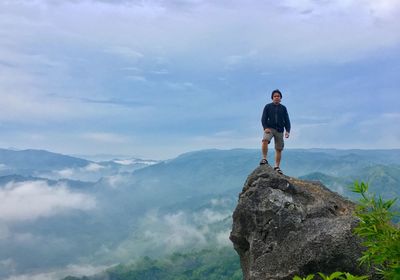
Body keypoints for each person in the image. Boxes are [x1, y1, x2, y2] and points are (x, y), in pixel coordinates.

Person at [260, 89, 291, 174]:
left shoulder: (283, 108)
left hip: (280, 130)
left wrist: (287, 131)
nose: (276, 97)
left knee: (279, 149)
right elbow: (263, 118)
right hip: (269, 128)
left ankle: (277, 167)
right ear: (272, 98)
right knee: (265, 140)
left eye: (278, 96)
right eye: (275, 96)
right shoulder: (267, 106)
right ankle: (264, 159)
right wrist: (265, 127)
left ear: (280, 98)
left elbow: (287, 120)